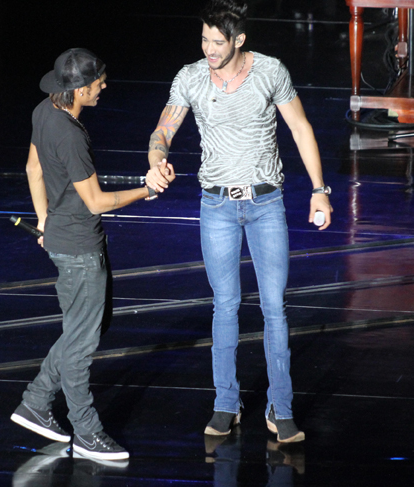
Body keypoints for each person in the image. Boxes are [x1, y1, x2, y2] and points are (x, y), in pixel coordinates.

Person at [146, 0, 331, 443]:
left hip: (266, 204)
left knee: (274, 310)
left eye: (217, 42)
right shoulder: (190, 78)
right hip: (217, 208)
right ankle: (225, 403)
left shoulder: (270, 72)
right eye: (204, 39)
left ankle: (280, 407)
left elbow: (301, 129)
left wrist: (319, 189)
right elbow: (162, 131)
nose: (209, 48)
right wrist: (156, 159)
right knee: (224, 306)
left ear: (239, 40)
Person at [11, 48, 175, 461]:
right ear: (81, 89)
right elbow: (97, 202)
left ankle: (36, 400)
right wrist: (148, 188)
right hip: (80, 249)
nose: (104, 86)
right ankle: (86, 433)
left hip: (66, 240)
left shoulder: (43, 111)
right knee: (82, 344)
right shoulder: (70, 133)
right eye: (99, 81)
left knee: (86, 329)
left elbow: (33, 169)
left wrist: (44, 220)